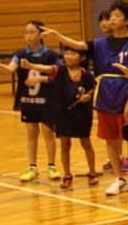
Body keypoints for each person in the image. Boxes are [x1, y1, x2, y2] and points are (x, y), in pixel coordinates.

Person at [44, 2, 128, 195]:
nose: (112, 19)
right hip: (105, 96)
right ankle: (120, 177)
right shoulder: (99, 44)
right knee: (111, 140)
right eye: (111, 15)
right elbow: (78, 45)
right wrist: (58, 36)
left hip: (125, 92)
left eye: (117, 16)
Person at [0, 21, 61, 182]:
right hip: (28, 99)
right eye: (26, 32)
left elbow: (57, 75)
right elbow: (10, 69)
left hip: (47, 99)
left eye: (32, 32)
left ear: (40, 35)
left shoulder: (51, 55)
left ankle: (52, 166)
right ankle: (32, 167)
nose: (28, 35)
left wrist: (41, 77)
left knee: (48, 133)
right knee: (31, 133)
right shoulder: (20, 54)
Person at [20, 47, 98, 189]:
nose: (68, 56)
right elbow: (47, 70)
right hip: (63, 114)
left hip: (82, 114)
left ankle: (92, 172)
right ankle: (67, 174)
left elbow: (92, 90)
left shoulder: (86, 75)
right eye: (67, 53)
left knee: (86, 143)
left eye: (73, 54)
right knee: (65, 144)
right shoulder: (60, 71)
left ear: (82, 58)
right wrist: (31, 66)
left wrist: (88, 97)